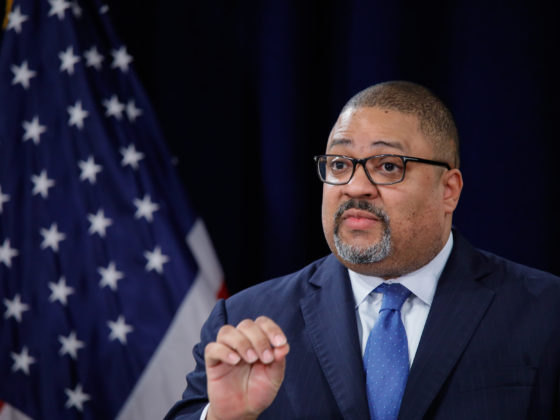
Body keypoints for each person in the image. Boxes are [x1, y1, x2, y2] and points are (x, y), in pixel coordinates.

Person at [164, 81, 560, 420]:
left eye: (388, 166)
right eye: (339, 164)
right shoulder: (245, 320)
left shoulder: (546, 313)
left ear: (448, 191)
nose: (355, 187)